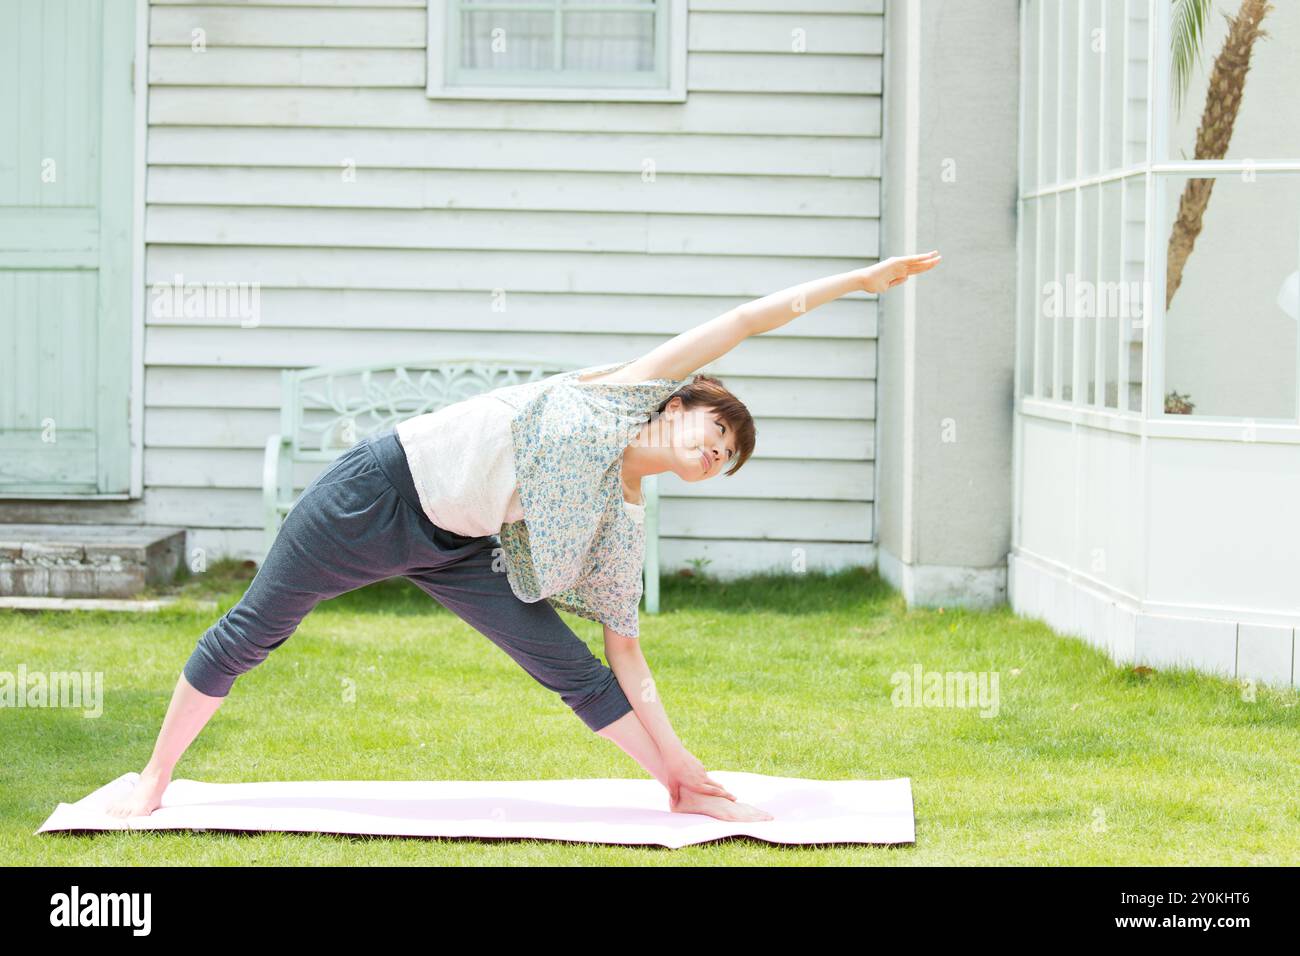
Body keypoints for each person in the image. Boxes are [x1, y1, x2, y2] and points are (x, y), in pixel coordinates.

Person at [107, 251, 942, 824]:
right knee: (257, 629)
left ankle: (679, 793)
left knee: (571, 669)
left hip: (463, 547)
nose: (708, 453)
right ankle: (157, 775)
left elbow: (627, 657)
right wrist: (861, 282)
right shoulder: (625, 391)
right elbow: (744, 319)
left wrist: (682, 759)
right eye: (712, 431)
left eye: (720, 461)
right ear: (681, 403)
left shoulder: (625, 519)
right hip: (377, 490)